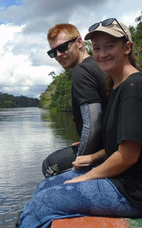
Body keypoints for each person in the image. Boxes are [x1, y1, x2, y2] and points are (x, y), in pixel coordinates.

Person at [17, 18, 142, 228]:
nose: (102, 54)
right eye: (98, 48)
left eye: (110, 46)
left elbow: (127, 157)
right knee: (45, 186)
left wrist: (87, 177)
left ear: (127, 47)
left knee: (43, 203)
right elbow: (119, 147)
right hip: (125, 180)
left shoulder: (133, 89)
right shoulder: (116, 84)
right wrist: (92, 157)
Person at [41, 23, 108, 178]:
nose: (58, 54)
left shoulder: (82, 72)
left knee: (49, 165)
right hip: (106, 145)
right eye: (53, 52)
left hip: (102, 151)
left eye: (63, 47)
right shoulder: (97, 65)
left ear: (79, 43)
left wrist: (83, 157)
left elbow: (92, 124)